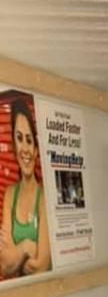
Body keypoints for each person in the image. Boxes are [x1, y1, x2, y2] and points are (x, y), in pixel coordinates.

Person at [0, 97, 51, 279]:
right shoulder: (9, 195)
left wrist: (15, 254)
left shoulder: (45, 197)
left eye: (29, 140)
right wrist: (28, 246)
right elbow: (4, 265)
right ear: (13, 145)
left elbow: (41, 266)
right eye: (19, 139)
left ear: (36, 150)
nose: (25, 148)